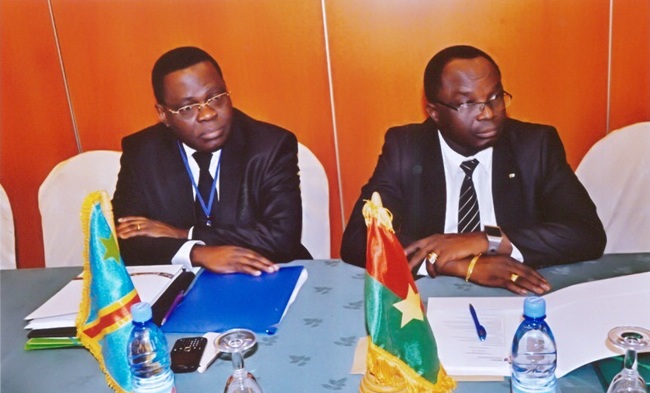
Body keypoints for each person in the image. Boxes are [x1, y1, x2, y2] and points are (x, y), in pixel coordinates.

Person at [340, 45, 606, 295]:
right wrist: (458, 265)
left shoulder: (534, 146)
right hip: (431, 294)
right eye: (467, 103)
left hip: (517, 292)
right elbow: (359, 239)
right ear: (434, 112)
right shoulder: (406, 148)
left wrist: (487, 240)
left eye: (495, 97)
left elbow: (587, 232)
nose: (487, 113)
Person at [113, 46, 311, 275]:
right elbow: (123, 238)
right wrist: (196, 253)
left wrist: (184, 234)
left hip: (266, 275)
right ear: (163, 114)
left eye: (215, 98)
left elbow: (281, 237)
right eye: (187, 108)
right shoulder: (142, 152)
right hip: (181, 282)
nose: (208, 114)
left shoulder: (270, 146)